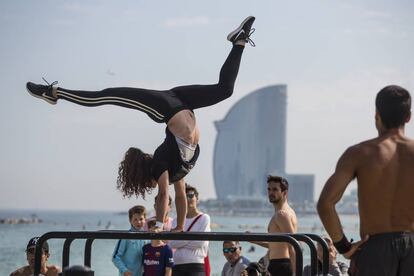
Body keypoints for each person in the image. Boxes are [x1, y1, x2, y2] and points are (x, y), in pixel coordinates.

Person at [26, 16, 255, 232]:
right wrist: (177, 227)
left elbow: (164, 195)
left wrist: (158, 225)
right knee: (225, 90)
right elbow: (180, 195)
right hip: (182, 102)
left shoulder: (159, 163)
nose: (154, 185)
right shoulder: (177, 171)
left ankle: (54, 93)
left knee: (108, 95)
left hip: (166, 107)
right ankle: (240, 41)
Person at [317, 85, 414, 276]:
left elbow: (325, 204)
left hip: (375, 249)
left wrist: (344, 247)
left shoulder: (360, 153)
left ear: (377, 115)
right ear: (408, 116)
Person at [250, 175, 297, 276]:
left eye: (275, 189)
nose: (271, 192)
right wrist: (253, 239)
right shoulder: (286, 212)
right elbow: (276, 244)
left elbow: (293, 245)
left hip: (282, 266)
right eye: (269, 189)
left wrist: (295, 273)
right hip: (278, 265)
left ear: (284, 192)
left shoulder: (282, 215)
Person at [169, 184, 211, 276]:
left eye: (191, 196)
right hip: (177, 265)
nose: (188, 199)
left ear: (197, 198)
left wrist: (180, 240)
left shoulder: (204, 218)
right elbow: (171, 243)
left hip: (196, 265)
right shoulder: (176, 220)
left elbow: (200, 243)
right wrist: (192, 238)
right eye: (185, 196)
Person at [112, 205, 148, 276]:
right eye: (135, 219)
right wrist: (124, 270)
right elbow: (115, 257)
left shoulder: (148, 237)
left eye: (141, 219)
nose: (138, 222)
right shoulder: (125, 236)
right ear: (130, 221)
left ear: (145, 220)